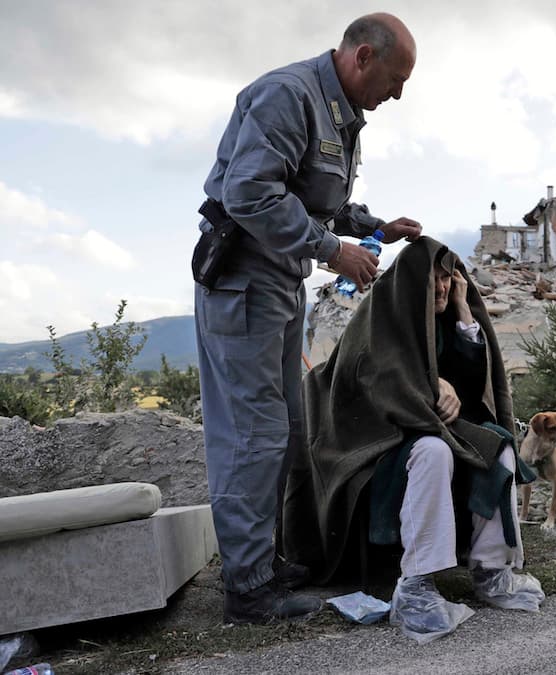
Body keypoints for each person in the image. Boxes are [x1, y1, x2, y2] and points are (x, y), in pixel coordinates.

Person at [193, 13, 422, 625]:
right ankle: (247, 590)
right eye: (396, 79)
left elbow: (318, 198)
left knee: (288, 429)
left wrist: (373, 228)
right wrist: (331, 250)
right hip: (244, 283)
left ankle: (263, 563)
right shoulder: (287, 95)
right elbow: (249, 194)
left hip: (279, 285)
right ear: (363, 57)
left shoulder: (338, 111)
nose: (397, 94)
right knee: (252, 433)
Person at [283, 237, 545, 641]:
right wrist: (429, 384)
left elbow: (477, 391)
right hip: (376, 445)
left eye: (447, 278)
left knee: (498, 446)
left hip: (431, 427)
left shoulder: (441, 317)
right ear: (412, 282)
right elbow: (372, 376)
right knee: (432, 450)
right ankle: (418, 584)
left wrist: (461, 307)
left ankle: (492, 570)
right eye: (433, 280)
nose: (441, 287)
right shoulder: (381, 316)